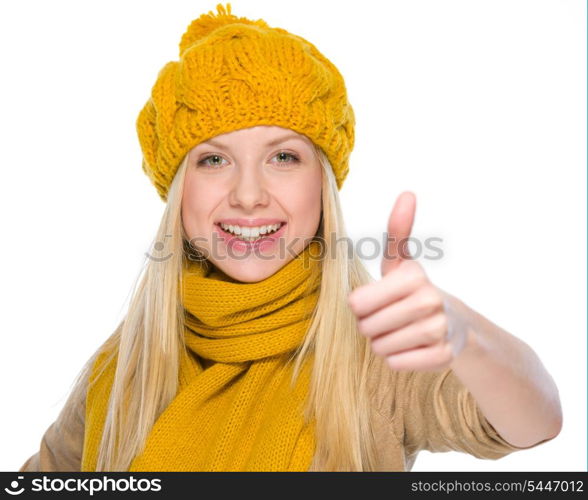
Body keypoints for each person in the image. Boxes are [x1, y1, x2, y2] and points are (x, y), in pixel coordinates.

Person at [18, 3, 562, 472]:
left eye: (283, 157)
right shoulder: (124, 365)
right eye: (213, 159)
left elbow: (533, 423)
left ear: (322, 186)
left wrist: (464, 334)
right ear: (179, 192)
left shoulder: (373, 355)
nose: (248, 195)